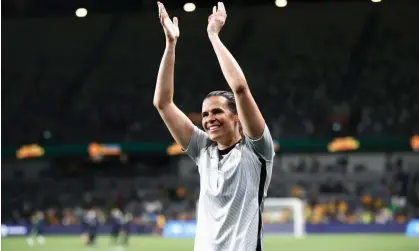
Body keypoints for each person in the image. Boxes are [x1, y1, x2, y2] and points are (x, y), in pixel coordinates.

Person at [154, 2, 275, 251]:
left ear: (236, 117)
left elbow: (240, 89)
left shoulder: (258, 150)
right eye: (205, 114)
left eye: (218, 111)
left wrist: (213, 36)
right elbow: (163, 103)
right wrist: (170, 45)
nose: (209, 118)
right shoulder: (202, 149)